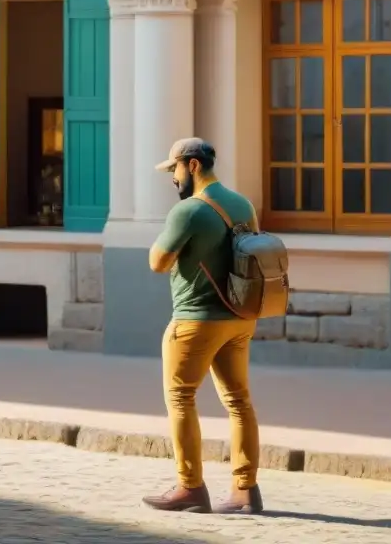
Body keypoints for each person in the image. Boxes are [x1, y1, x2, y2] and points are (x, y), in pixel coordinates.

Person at [141, 138, 264, 515]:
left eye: (174, 169)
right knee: (239, 402)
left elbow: (158, 262)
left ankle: (190, 487)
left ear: (193, 166)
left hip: (195, 321)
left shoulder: (189, 211)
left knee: (180, 398)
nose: (172, 178)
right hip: (239, 319)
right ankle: (245, 490)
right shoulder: (242, 204)